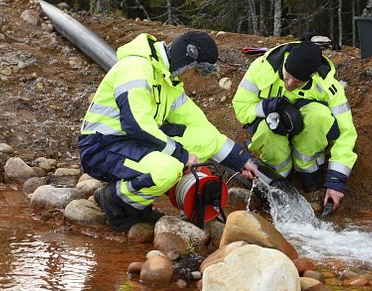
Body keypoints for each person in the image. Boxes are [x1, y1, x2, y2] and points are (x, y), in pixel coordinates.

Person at [79, 31, 258, 232]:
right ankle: (116, 202)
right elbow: (136, 124)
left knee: (203, 139)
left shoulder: (170, 82)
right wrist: (181, 155)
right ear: (187, 63)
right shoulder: (136, 68)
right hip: (102, 148)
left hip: (133, 143)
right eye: (197, 71)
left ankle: (139, 193)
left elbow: (199, 126)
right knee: (168, 169)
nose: (195, 78)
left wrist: (240, 159)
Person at [232, 41, 357, 211]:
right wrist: (265, 108)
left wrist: (336, 181)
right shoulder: (262, 69)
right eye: (286, 76)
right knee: (267, 133)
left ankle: (310, 178)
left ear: (311, 76)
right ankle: (280, 178)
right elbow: (241, 107)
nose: (289, 84)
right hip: (269, 123)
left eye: (297, 81)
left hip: (306, 126)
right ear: (285, 63)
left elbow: (346, 133)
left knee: (318, 116)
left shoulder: (327, 85)